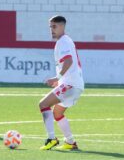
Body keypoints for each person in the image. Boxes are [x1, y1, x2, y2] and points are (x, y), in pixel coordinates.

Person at [39, 15, 84, 150]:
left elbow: (68, 61)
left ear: (62, 26)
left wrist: (57, 78)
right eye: (50, 27)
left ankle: (51, 139)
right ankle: (70, 142)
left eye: (55, 26)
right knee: (57, 113)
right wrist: (60, 81)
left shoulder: (63, 41)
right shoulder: (66, 40)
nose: (52, 30)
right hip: (75, 85)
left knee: (43, 104)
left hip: (70, 84)